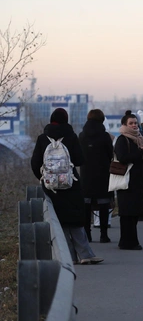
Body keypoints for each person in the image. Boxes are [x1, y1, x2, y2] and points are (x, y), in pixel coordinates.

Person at [31, 108, 103, 264]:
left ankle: (69, 258)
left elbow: (35, 163)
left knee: (59, 221)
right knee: (76, 219)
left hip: (51, 188)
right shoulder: (71, 137)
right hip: (70, 185)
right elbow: (79, 160)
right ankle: (85, 254)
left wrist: (45, 178)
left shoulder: (42, 138)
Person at [114, 111, 143, 250]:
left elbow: (141, 159)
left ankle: (129, 241)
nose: (134, 125)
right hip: (126, 180)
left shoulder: (139, 138)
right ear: (125, 125)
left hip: (137, 180)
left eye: (136, 123)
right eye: (131, 123)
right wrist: (140, 152)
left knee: (134, 213)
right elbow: (123, 158)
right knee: (127, 213)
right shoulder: (122, 139)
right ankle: (128, 242)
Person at [79, 109, 114, 243]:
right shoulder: (104, 136)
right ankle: (103, 234)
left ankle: (87, 234)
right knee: (103, 205)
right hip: (102, 175)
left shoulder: (81, 136)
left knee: (86, 206)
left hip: (86, 175)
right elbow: (111, 154)